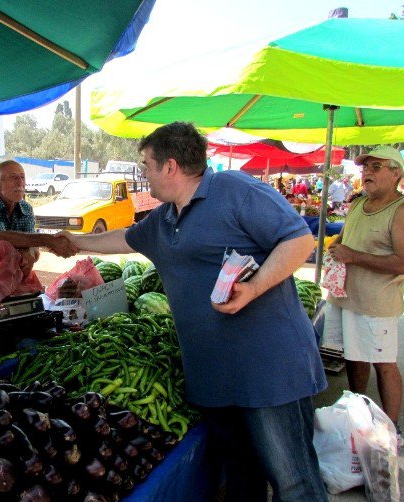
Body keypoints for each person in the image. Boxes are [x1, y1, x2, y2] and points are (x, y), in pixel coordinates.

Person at [60, 122, 328, 501]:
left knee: (294, 480)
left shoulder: (236, 190)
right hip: (212, 373)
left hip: (268, 369)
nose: (143, 173)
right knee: (240, 473)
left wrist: (253, 288)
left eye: (146, 165)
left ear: (170, 166)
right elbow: (124, 237)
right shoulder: (166, 216)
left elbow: (299, 239)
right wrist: (74, 242)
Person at [323, 145, 404, 446]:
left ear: (396, 174)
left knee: (383, 362)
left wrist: (353, 255)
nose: (367, 172)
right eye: (366, 168)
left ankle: (392, 427)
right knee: (353, 356)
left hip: (377, 303)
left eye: (376, 167)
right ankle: (359, 411)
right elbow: (346, 238)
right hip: (346, 297)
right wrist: (337, 246)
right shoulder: (358, 205)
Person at [0, 160, 77, 288]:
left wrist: (30, 254)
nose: (20, 182)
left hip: (4, 283)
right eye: (13, 177)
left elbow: (32, 245)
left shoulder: (26, 208)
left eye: (22, 177)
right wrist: (47, 239)